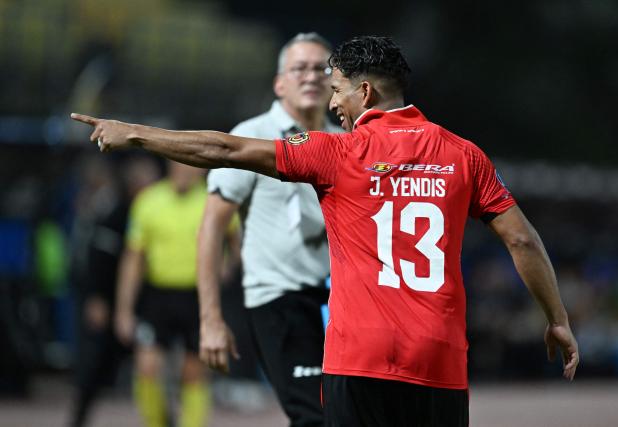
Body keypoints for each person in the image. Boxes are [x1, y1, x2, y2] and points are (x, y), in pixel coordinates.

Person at [71, 35, 579, 426]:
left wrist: (134, 134)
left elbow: (225, 150)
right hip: (438, 358)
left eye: (336, 90)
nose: (333, 104)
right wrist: (556, 317)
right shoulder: (464, 155)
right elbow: (522, 239)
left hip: (358, 357)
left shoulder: (336, 152)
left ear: (364, 91)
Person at [197, 32, 340, 426]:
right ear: (280, 82)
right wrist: (211, 319)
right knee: (315, 415)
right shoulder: (251, 136)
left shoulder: (346, 140)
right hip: (280, 299)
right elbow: (212, 226)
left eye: (321, 68)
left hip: (343, 301)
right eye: (299, 68)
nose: (311, 77)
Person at [114, 160, 209, 427]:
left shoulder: (213, 200)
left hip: (197, 295)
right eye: (177, 165)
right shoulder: (149, 201)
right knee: (147, 369)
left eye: (190, 166)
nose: (183, 172)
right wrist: (124, 309)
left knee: (192, 373)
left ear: (200, 169)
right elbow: (133, 259)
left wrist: (225, 269)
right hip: (157, 296)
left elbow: (235, 240)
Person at [69, 155, 159, 427]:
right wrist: (97, 298)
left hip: (147, 304)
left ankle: (163, 420)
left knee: (152, 366)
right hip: (109, 303)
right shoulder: (115, 215)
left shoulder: (155, 213)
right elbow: (98, 261)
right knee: (94, 367)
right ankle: (78, 418)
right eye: (143, 183)